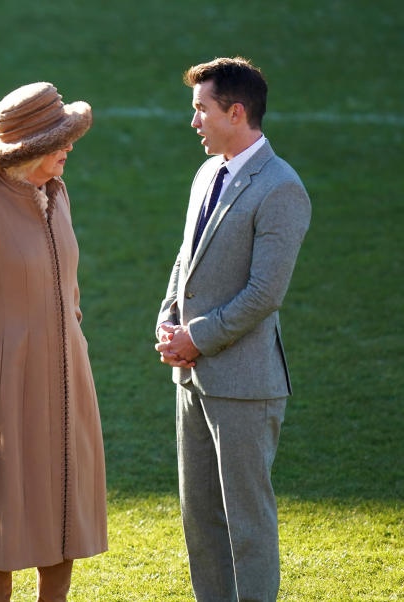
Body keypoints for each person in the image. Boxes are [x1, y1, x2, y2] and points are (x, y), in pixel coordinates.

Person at [0, 82, 108, 601]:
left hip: (68, 374)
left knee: (65, 503)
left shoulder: (57, 192)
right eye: (60, 141)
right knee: (0, 511)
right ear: (29, 146)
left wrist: (71, 331)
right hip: (4, 385)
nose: (68, 149)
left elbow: (68, 284)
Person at [154, 57, 311, 601]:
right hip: (193, 379)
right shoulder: (206, 173)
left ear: (236, 111)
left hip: (245, 385)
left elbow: (265, 295)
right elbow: (185, 261)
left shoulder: (280, 188)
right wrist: (169, 319)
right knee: (201, 522)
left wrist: (196, 337)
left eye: (202, 109)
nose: (193, 121)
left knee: (247, 525)